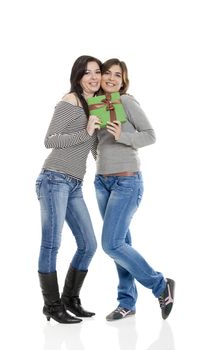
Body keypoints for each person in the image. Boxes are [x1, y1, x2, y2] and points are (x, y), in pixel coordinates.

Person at [94, 58, 175, 321]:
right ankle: (126, 302)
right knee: (121, 244)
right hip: (102, 182)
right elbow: (96, 144)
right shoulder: (95, 106)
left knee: (111, 244)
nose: (112, 78)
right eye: (107, 73)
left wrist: (123, 137)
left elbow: (150, 135)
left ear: (123, 80)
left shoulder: (127, 102)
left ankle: (160, 285)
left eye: (118, 75)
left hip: (127, 182)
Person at [35, 55, 102, 324]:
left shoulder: (95, 106)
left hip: (75, 183)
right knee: (52, 244)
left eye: (97, 72)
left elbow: (93, 148)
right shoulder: (70, 100)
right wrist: (86, 132)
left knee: (89, 244)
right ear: (78, 76)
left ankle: (69, 299)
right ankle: (51, 306)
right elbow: (49, 139)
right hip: (54, 179)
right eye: (88, 73)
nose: (94, 77)